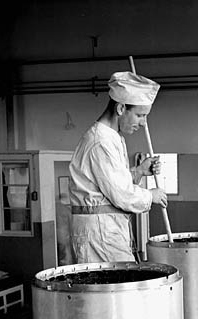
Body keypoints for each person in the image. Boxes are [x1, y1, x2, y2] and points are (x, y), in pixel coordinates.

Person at [69, 71, 167, 263]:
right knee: (117, 289)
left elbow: (108, 184)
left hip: (107, 230)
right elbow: (121, 194)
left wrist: (138, 171)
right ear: (121, 108)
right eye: (140, 115)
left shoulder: (113, 137)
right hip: (100, 234)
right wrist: (151, 195)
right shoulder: (101, 141)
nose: (143, 123)